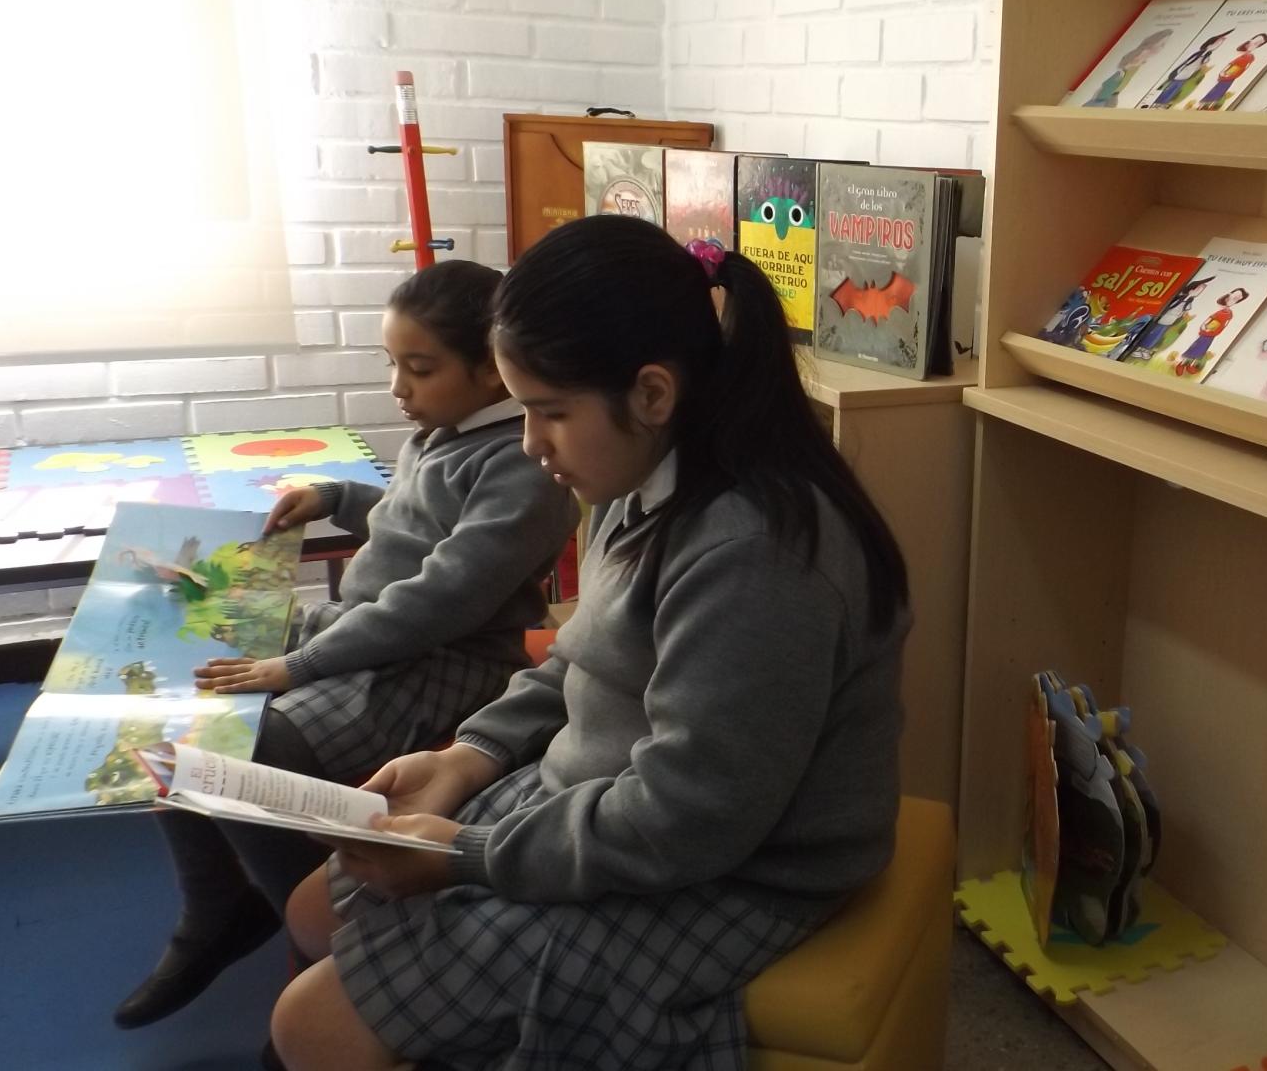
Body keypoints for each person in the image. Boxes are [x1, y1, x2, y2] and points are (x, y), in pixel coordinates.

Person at [270, 215, 912, 1071]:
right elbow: (581, 655)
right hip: (606, 792)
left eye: (548, 412)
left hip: (737, 870)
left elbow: (687, 821)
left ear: (652, 393)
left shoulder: (754, 556)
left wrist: (469, 854)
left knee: (308, 1028)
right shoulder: (643, 473)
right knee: (317, 909)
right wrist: (466, 759)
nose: (531, 445)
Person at [113, 259, 582, 1030]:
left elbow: (439, 600)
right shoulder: (441, 434)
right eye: (392, 364)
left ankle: (331, 926)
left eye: (420, 369)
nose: (399, 387)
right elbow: (409, 522)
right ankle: (219, 908)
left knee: (248, 745)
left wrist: (292, 665)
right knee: (172, 700)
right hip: (366, 637)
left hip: (442, 661)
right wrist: (336, 497)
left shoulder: (523, 468)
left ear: (495, 376)